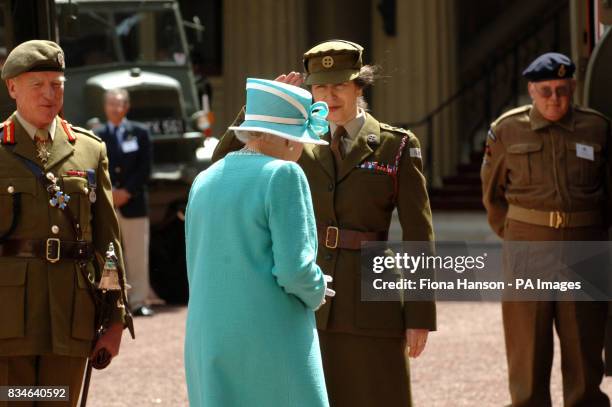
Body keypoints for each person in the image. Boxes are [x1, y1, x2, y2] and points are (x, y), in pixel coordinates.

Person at [213, 40, 436, 407]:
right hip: (307, 294)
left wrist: (420, 313)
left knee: (381, 395)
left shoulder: (395, 146)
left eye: (339, 86)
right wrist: (258, 109)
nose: (329, 96)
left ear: (358, 87)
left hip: (372, 295)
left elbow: (418, 234)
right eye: (320, 87)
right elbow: (224, 162)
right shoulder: (294, 142)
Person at [185, 78, 334, 407]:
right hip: (270, 334)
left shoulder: (203, 179)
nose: (300, 147)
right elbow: (295, 270)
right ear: (277, 136)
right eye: (296, 138)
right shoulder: (284, 174)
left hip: (208, 334)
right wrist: (318, 287)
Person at [0, 40, 128, 406]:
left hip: (70, 315)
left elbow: (108, 245)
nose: (49, 94)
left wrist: (115, 317)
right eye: (37, 84)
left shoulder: (89, 149)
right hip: (8, 322)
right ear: (12, 88)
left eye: (56, 84)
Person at [481, 52, 612, 407]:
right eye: (545, 91)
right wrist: (520, 236)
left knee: (584, 349)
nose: (554, 98)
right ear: (531, 91)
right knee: (528, 350)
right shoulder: (507, 129)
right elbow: (493, 196)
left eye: (561, 89)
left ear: (572, 87)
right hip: (529, 250)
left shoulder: (597, 127)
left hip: (584, 248)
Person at [95, 88, 154, 317]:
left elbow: (145, 168)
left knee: (138, 255)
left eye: (120, 104)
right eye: (111, 104)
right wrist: (110, 193)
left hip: (134, 204)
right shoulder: (97, 135)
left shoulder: (140, 132)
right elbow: (96, 167)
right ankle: (111, 302)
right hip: (107, 204)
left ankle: (139, 302)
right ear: (105, 107)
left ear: (127, 107)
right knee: (109, 253)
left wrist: (127, 191)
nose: (116, 108)